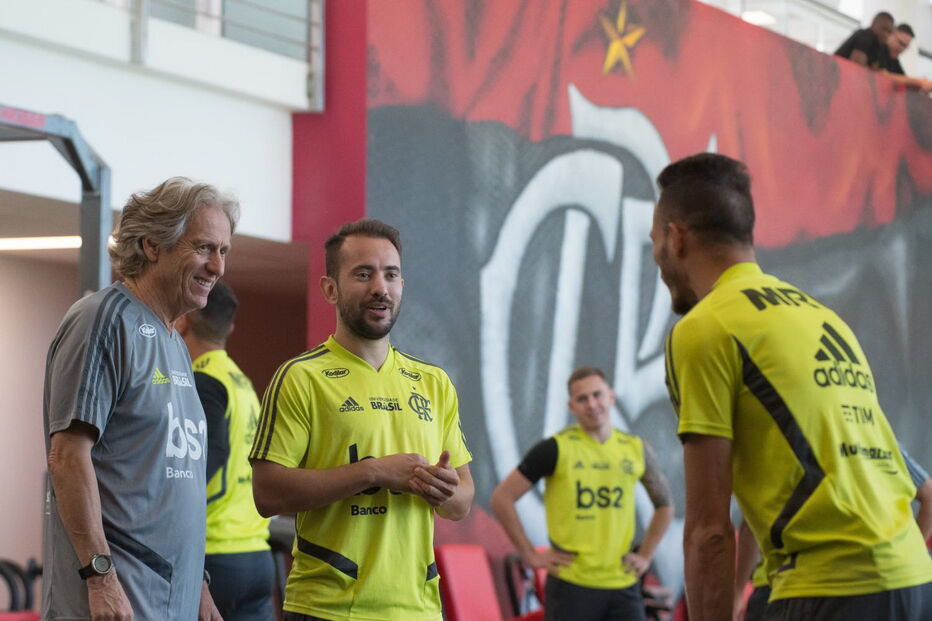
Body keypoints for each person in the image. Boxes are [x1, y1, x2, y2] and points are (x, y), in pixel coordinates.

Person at [650, 153, 932, 620]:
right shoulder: (824, 319)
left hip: (829, 589)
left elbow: (708, 530)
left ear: (675, 238)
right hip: (914, 580)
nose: (657, 257)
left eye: (655, 241)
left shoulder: (705, 328)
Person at [249, 218, 474, 621]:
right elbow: (267, 495)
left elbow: (462, 503)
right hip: (328, 608)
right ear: (330, 289)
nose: (380, 288)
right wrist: (373, 472)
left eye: (391, 274)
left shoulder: (434, 382)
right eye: (364, 274)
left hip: (419, 609)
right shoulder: (301, 377)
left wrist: (443, 490)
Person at [43, 177, 238, 620]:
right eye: (204, 248)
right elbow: (67, 456)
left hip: (172, 599)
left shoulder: (175, 343)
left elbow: (171, 486)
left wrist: (198, 586)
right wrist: (100, 577)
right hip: (116, 601)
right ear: (152, 245)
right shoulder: (103, 319)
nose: (217, 267)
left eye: (224, 251)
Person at [490, 366, 674, 621]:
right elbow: (502, 498)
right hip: (572, 585)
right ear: (571, 406)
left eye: (597, 395)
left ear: (611, 396)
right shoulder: (554, 448)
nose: (592, 404)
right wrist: (530, 554)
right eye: (582, 398)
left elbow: (665, 506)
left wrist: (645, 555)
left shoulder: (635, 449)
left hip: (623, 584)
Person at [733, 443, 932, 621]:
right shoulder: (873, 436)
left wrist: (738, 592)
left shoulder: (800, 434)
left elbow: (753, 520)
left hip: (799, 582)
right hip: (889, 582)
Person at [177, 280, 274, 620]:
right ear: (230, 327)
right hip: (256, 555)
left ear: (182, 322)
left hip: (215, 558)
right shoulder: (241, 382)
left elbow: (208, 456)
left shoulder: (201, 381)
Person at [878, 24, 932, 92]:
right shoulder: (877, 49)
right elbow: (881, 75)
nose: (902, 49)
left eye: (905, 47)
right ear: (891, 34)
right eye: (900, 43)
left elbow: (903, 80)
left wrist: (922, 87)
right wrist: (920, 82)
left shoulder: (894, 61)